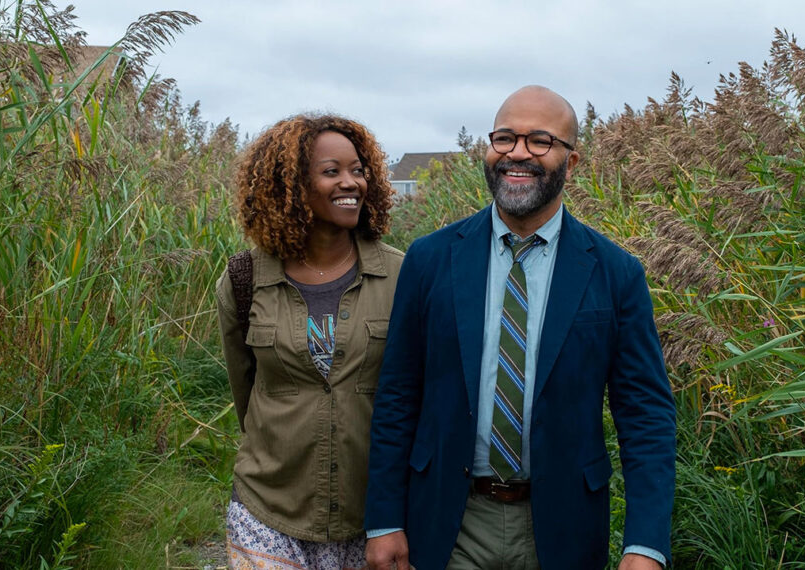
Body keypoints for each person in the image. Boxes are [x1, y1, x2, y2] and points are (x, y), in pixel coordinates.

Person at [364, 86, 676, 570]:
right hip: (451, 516)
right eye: (505, 138)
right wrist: (385, 520)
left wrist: (645, 545)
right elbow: (397, 395)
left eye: (540, 141)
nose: (517, 153)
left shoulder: (615, 273)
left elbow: (646, 416)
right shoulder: (430, 259)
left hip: (561, 524)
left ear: (571, 163)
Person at [216, 114, 403, 570]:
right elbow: (247, 392)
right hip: (268, 507)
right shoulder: (244, 280)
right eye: (331, 171)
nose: (351, 182)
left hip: (372, 518)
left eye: (358, 170)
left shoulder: (403, 276)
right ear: (291, 186)